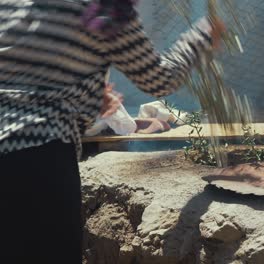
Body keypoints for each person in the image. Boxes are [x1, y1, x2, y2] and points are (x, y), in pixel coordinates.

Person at [0, 0, 225, 263]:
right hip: (37, 160)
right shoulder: (103, 9)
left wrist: (89, 95)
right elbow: (160, 79)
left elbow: (34, 74)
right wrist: (202, 36)